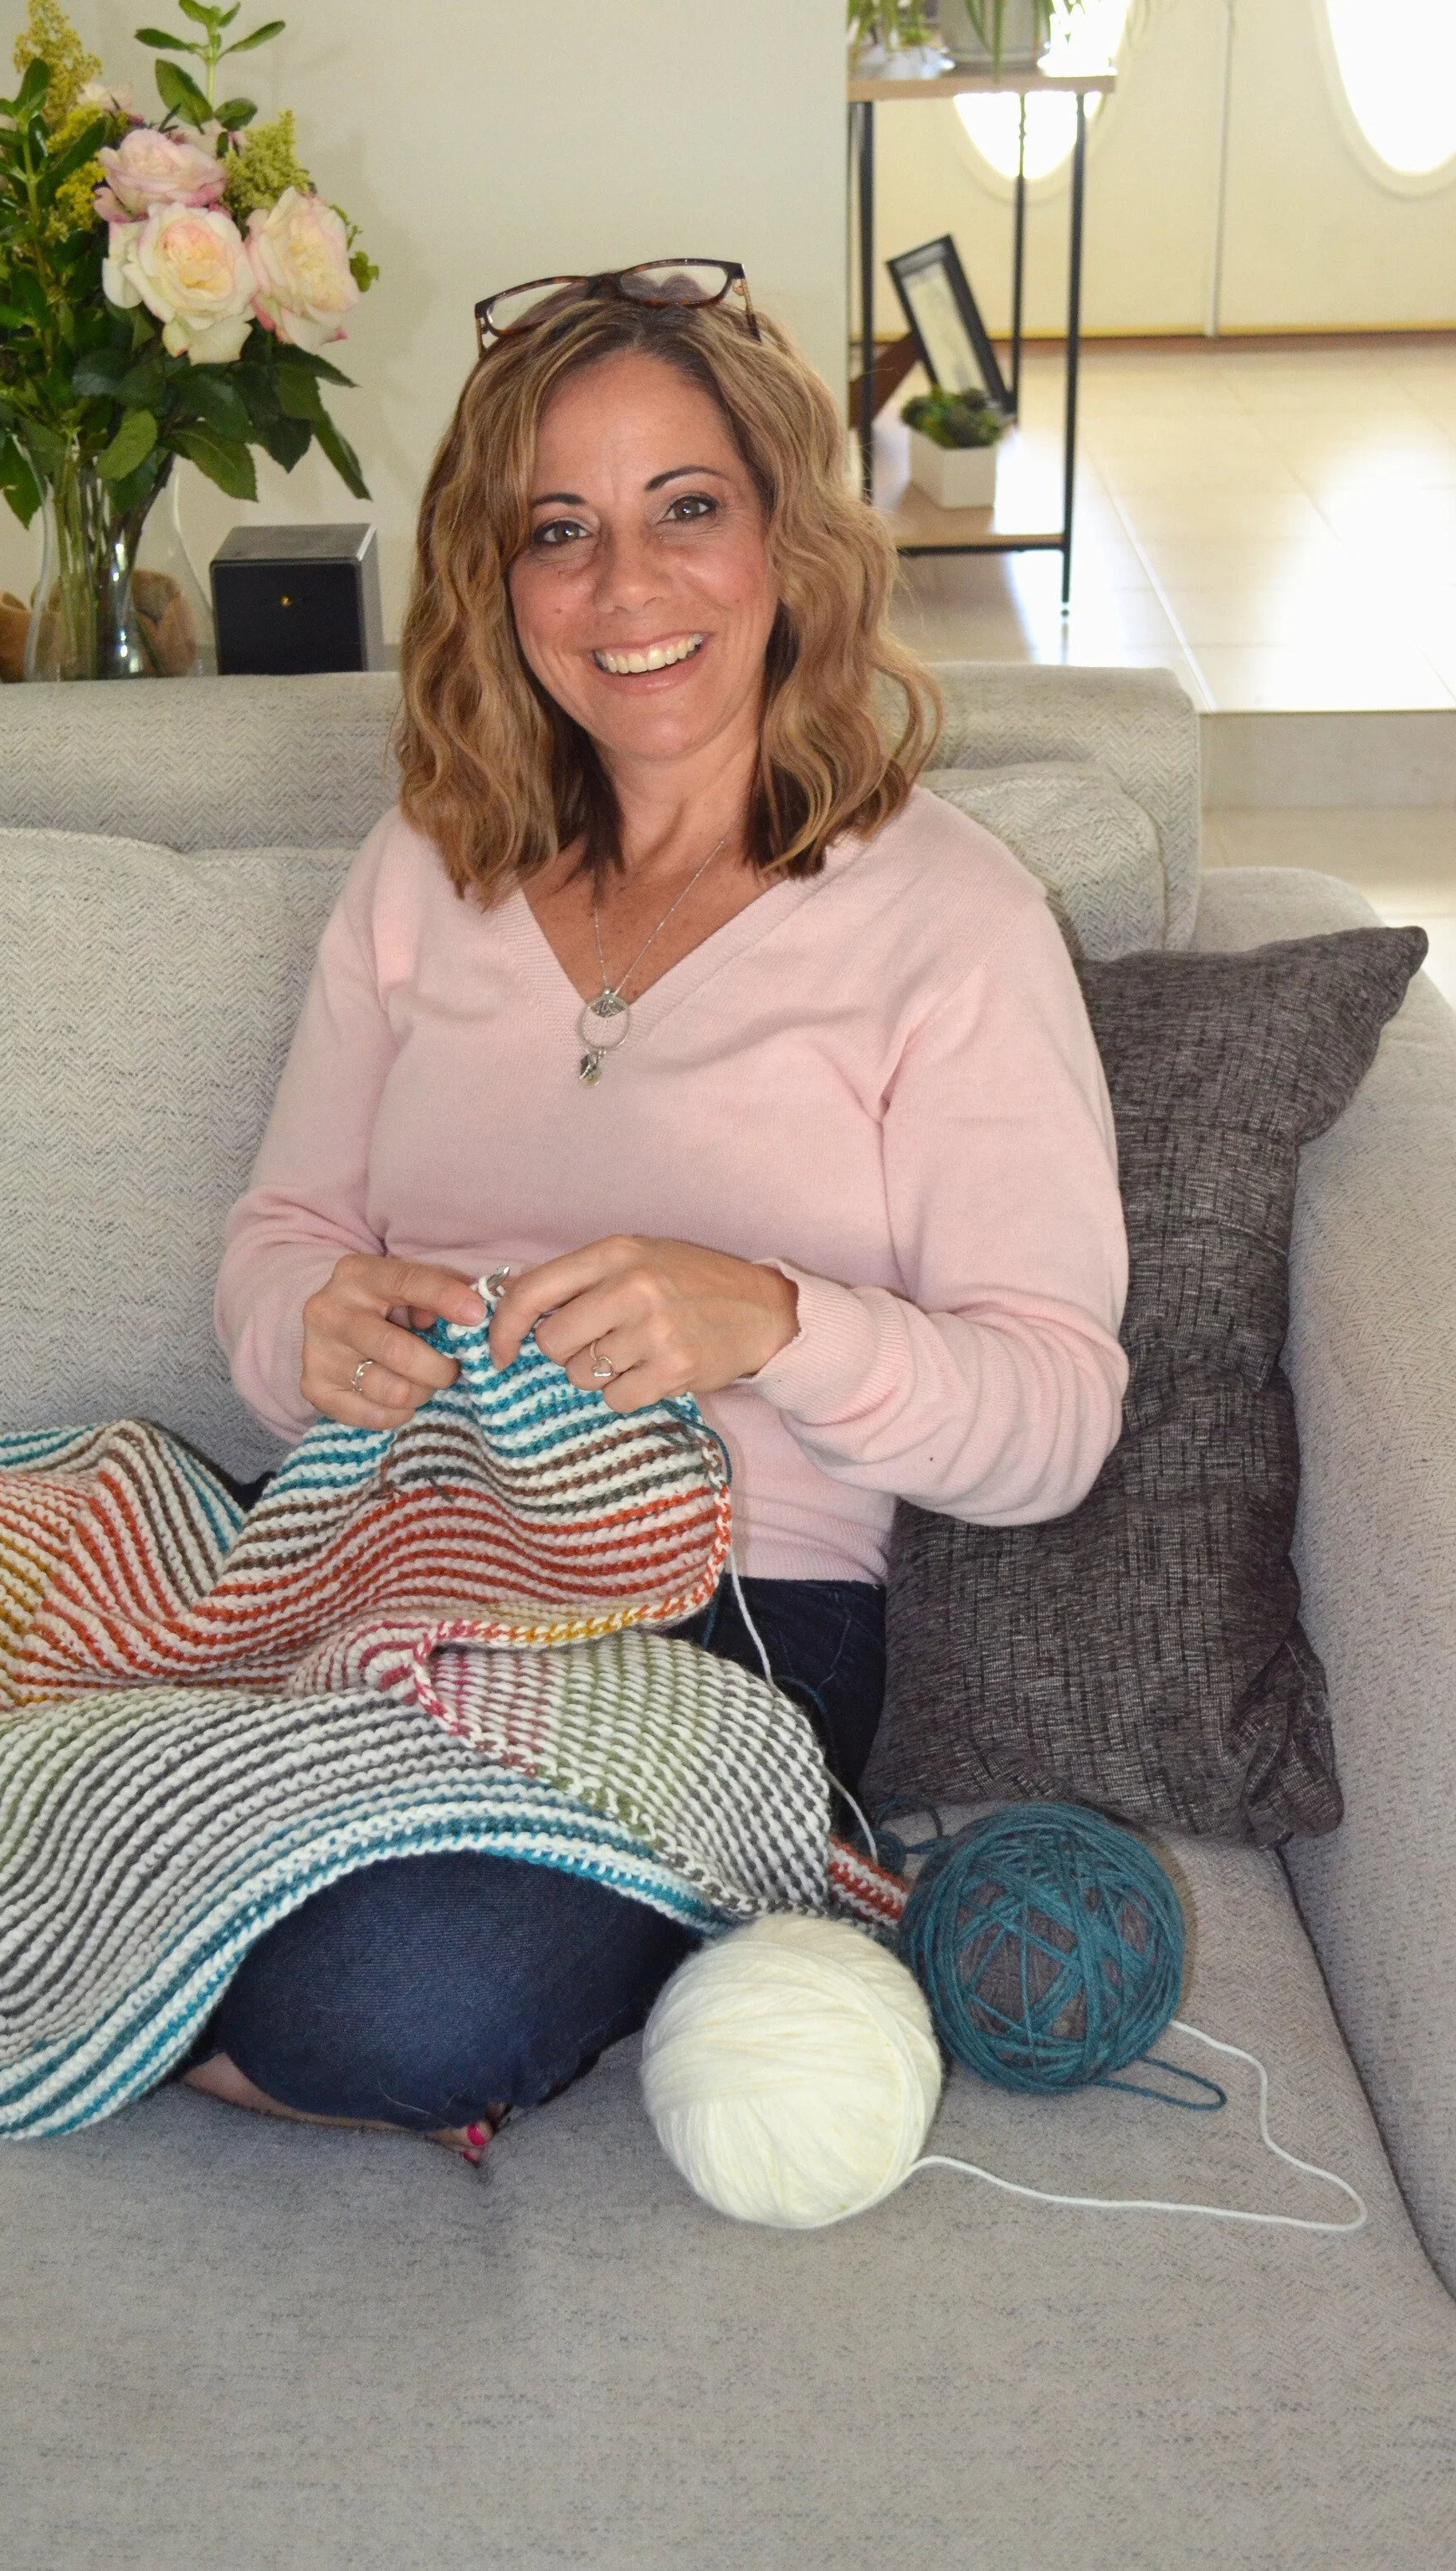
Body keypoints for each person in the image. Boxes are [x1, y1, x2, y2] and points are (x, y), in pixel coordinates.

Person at [194, 260, 1129, 2157]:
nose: (625, 591)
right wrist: (302, 1326)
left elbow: (1054, 1420)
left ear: (784, 535)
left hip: (728, 1624)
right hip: (387, 1551)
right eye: (562, 531)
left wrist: (780, 1324)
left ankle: (235, 1970)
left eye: (684, 509)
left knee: (397, 1994)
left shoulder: (947, 917)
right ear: (498, 580)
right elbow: (276, 1230)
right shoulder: (421, 872)